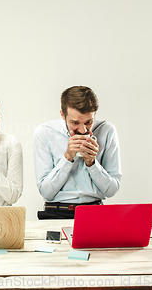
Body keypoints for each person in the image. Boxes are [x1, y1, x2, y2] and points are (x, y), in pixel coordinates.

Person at [33, 86, 122, 219]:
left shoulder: (107, 131)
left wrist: (92, 163)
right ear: (63, 115)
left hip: (95, 212)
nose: (82, 129)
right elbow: (46, 192)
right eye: (75, 122)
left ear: (95, 114)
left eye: (88, 122)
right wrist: (68, 157)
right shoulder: (44, 133)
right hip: (56, 212)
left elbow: (111, 190)